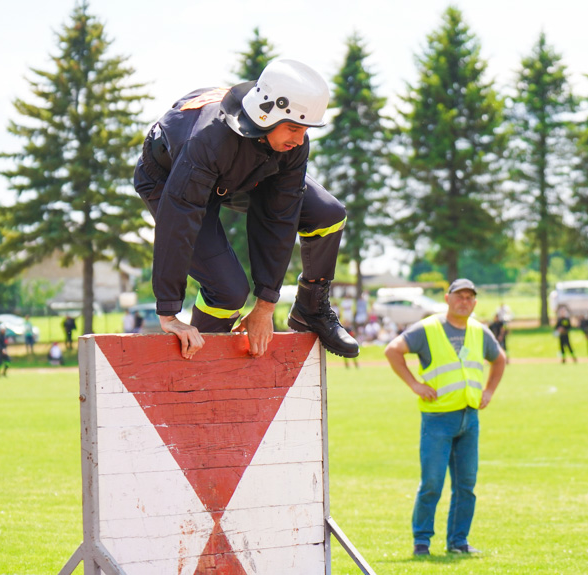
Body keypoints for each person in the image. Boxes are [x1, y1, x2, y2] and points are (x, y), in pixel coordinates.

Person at [133, 59, 358, 360]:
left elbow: (279, 218)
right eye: (293, 128)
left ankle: (311, 309)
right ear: (265, 114)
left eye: (305, 130)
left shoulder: (292, 144)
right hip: (169, 178)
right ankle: (199, 360)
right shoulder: (209, 141)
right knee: (228, 291)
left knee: (328, 215)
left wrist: (265, 305)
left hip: (241, 173)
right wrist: (169, 311)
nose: (300, 140)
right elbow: (179, 221)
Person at [384, 279, 506, 557]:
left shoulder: (479, 331)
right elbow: (392, 350)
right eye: (459, 296)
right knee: (432, 483)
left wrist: (489, 391)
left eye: (470, 297)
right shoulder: (428, 328)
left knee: (466, 485)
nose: (465, 301)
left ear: (475, 303)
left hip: (469, 417)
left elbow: (500, 359)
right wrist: (414, 385)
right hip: (437, 419)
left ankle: (458, 542)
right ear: (447, 298)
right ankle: (422, 542)